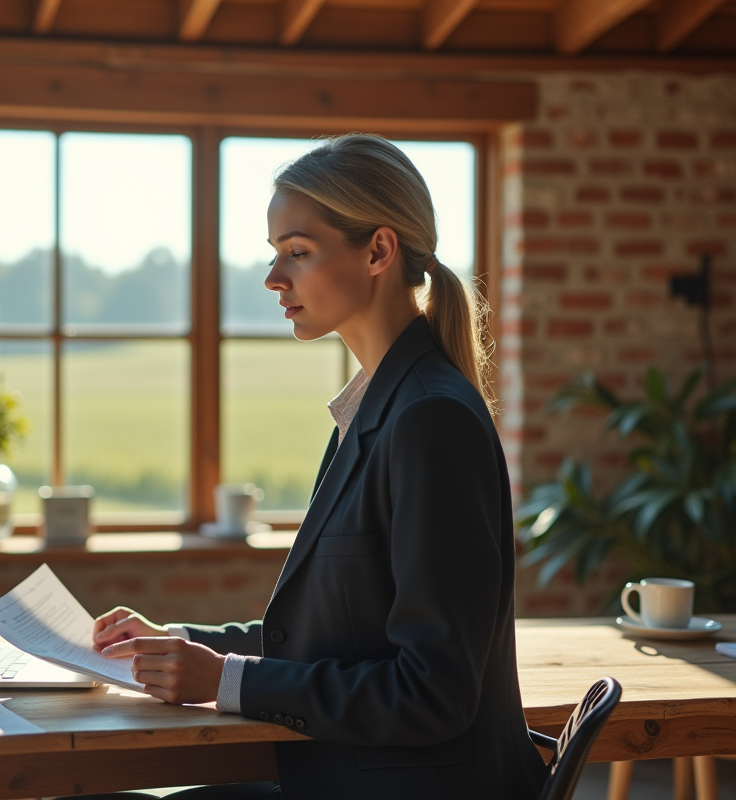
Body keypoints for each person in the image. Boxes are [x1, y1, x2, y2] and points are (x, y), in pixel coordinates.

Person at [75, 134, 549, 800]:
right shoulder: (375, 408)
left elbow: (433, 692)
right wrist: (176, 644)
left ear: (378, 250)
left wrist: (224, 682)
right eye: (275, 254)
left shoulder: (428, 421)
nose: (274, 278)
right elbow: (333, 637)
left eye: (297, 252)